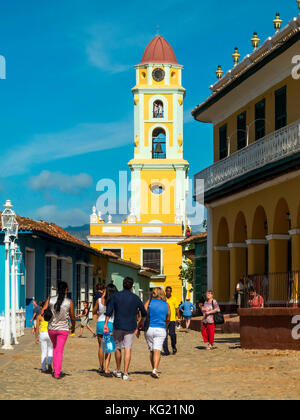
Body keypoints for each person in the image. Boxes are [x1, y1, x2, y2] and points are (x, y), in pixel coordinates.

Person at [103, 277, 147, 381]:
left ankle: (118, 371)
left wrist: (105, 324)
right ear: (132, 286)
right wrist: (140, 323)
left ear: (123, 284)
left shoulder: (116, 296)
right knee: (128, 348)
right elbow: (144, 312)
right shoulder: (135, 298)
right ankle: (126, 373)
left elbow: (109, 311)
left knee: (118, 348)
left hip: (118, 325)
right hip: (131, 326)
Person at [42, 281, 76, 379]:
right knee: (59, 350)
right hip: (63, 329)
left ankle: (56, 370)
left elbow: (43, 310)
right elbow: (73, 317)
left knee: (55, 348)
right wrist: (73, 327)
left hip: (51, 329)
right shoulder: (69, 302)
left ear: (56, 289)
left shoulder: (50, 300)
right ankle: (57, 372)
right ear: (66, 290)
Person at [143, 287, 170, 379]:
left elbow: (143, 310)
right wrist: (166, 325)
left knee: (152, 350)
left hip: (149, 329)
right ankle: (155, 369)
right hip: (161, 328)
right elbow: (168, 317)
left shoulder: (150, 302)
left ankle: (153, 368)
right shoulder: (166, 304)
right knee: (157, 349)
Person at [93, 283, 118, 377]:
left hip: (100, 323)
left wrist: (100, 312)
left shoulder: (99, 300)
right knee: (108, 346)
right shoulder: (115, 301)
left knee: (100, 346)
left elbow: (94, 311)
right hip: (110, 324)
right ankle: (107, 368)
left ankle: (101, 367)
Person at [35, 301, 53, 374]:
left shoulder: (39, 316)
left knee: (43, 351)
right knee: (50, 350)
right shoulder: (51, 316)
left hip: (42, 334)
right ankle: (49, 363)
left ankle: (43, 368)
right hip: (50, 333)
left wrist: (36, 337)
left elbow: (37, 328)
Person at [162, 286, 179, 356]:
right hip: (164, 320)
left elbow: (177, 309)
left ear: (171, 292)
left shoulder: (174, 299)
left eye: (170, 291)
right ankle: (166, 351)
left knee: (172, 334)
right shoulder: (163, 299)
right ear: (165, 291)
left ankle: (174, 346)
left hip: (172, 320)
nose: (168, 292)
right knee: (164, 335)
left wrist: (178, 318)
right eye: (167, 291)